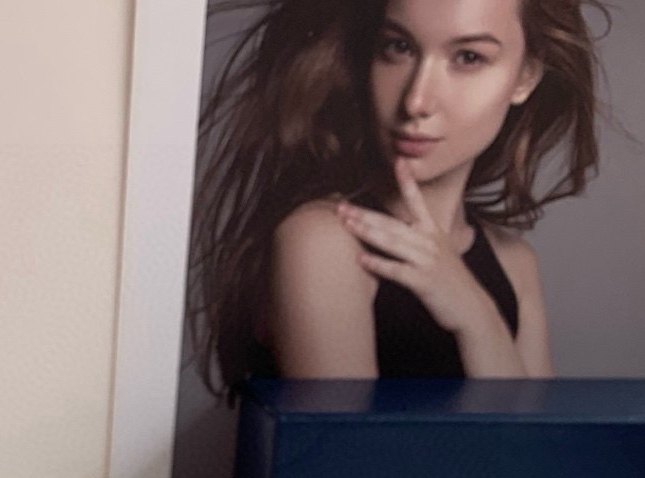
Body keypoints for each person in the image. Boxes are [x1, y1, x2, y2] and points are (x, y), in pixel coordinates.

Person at [189, 0, 607, 389]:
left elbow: (535, 442)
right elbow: (343, 443)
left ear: (525, 77)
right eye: (399, 47)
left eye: (468, 57)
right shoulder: (323, 240)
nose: (416, 101)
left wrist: (478, 319)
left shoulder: (515, 264)